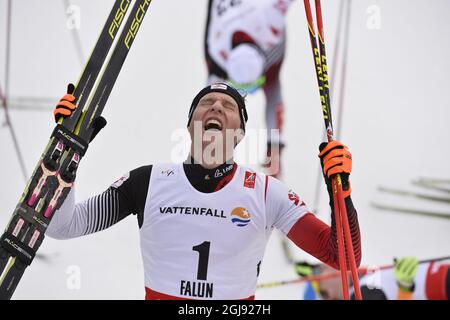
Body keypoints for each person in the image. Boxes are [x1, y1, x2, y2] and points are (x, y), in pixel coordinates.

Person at [48, 82, 361, 300]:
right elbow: (64, 226)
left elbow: (343, 259)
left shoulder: (267, 193)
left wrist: (341, 192)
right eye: (206, 104)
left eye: (228, 106)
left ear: (239, 134)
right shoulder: (147, 182)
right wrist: (66, 156)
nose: (216, 107)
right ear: (189, 127)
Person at [204, 0, 294, 178]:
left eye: (253, 87)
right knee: (212, 100)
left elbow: (274, 97)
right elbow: (206, 108)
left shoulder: (271, 20)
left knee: (273, 85)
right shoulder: (216, 55)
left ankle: (273, 154)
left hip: (256, 17)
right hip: (227, 20)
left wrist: (274, 149)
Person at [295, 257, 450, 300]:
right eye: (321, 272)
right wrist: (405, 288)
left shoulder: (361, 280)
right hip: (441, 287)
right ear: (327, 294)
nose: (326, 266)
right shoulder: (358, 295)